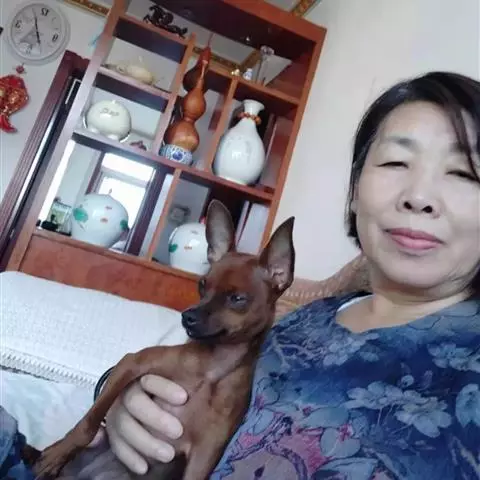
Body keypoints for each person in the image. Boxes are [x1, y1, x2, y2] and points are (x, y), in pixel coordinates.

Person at [37, 70, 480, 479]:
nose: (419, 196)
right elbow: (180, 367)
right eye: (396, 163)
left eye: (464, 172)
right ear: (354, 191)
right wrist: (121, 404)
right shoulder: (302, 319)